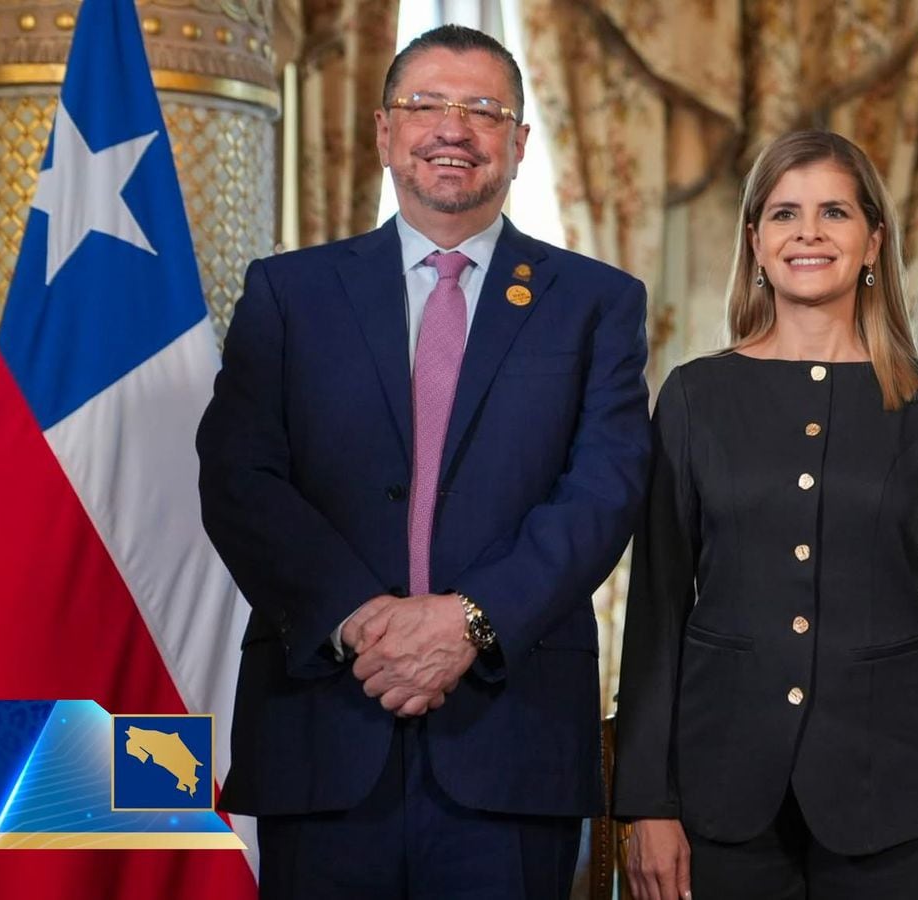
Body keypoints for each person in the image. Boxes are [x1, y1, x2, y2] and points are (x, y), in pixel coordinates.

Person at [196, 25, 650, 899]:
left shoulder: (596, 303)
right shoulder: (289, 292)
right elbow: (239, 477)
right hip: (325, 722)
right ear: (382, 132)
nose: (454, 127)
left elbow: (604, 490)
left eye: (484, 110)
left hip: (508, 735)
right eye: (426, 105)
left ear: (519, 145)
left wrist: (466, 623)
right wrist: (362, 620)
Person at [612, 130, 918, 900]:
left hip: (898, 796)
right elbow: (656, 612)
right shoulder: (695, 396)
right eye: (785, 214)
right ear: (755, 242)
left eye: (834, 212)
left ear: (873, 241)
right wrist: (646, 802)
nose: (809, 233)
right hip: (719, 792)